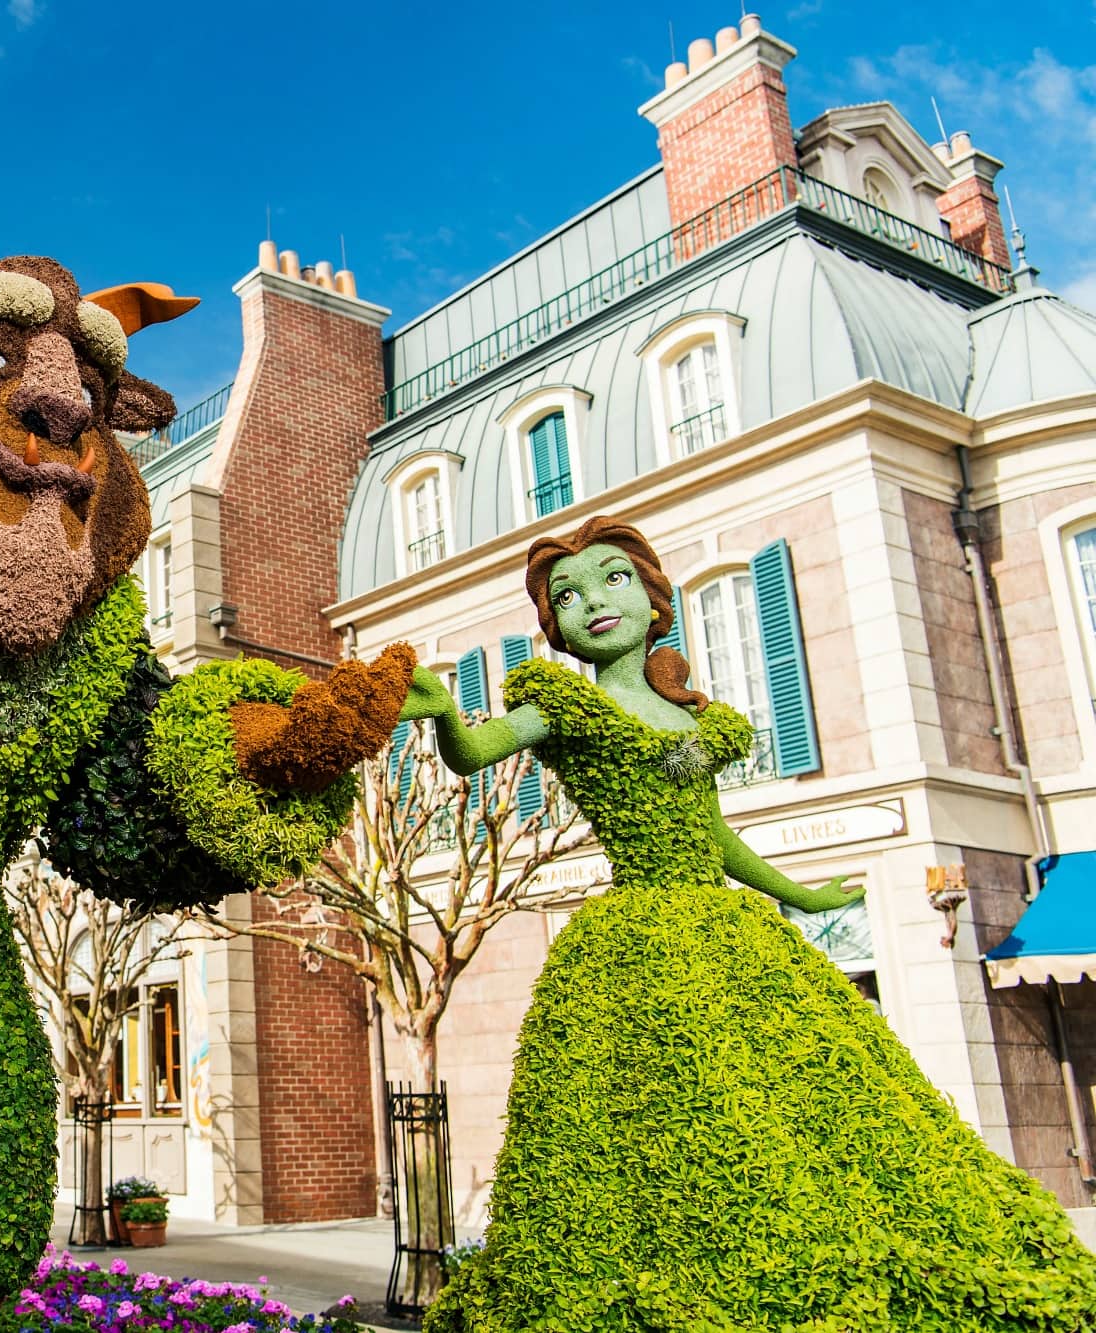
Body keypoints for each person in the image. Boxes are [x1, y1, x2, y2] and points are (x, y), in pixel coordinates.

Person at [405, 515, 1096, 1331]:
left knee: (806, 1096)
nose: (593, 601)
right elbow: (476, 751)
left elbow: (714, 835)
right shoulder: (561, 711)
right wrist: (445, 712)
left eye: (613, 579)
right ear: (554, 626)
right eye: (569, 594)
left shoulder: (694, 721)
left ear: (655, 600)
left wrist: (800, 897)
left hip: (731, 929)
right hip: (638, 937)